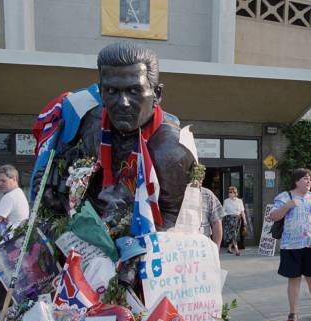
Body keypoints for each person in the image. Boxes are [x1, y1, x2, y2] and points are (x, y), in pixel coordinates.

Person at [33, 41, 195, 230]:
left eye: (134, 90)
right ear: (101, 92)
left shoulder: (172, 150)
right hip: (88, 238)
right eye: (112, 91)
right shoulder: (91, 125)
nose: (123, 103)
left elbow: (172, 224)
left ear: (157, 94)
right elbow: (77, 183)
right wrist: (55, 196)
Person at [269, 168, 311, 321]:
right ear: (296, 181)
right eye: (305, 179)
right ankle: (293, 313)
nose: (309, 181)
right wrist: (287, 206)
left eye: (310, 179)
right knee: (294, 279)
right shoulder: (284, 197)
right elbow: (273, 216)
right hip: (291, 246)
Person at [0, 165, 29, 230]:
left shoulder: (9, 196)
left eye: (3, 181)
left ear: (14, 179)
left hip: (8, 238)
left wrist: (2, 220)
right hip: (17, 236)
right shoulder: (19, 193)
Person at [197, 176, 224, 248]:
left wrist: (216, 250)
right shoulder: (173, 195)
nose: (201, 178)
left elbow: (216, 222)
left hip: (203, 248)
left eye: (202, 176)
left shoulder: (207, 195)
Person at [222, 186, 247, 256]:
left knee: (234, 234)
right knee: (233, 234)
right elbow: (223, 211)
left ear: (235, 193)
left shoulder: (239, 201)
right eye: (229, 192)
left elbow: (242, 212)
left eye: (231, 192)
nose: (230, 193)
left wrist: (244, 220)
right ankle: (237, 250)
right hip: (229, 219)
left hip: (237, 219)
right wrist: (226, 215)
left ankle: (229, 248)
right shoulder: (226, 201)